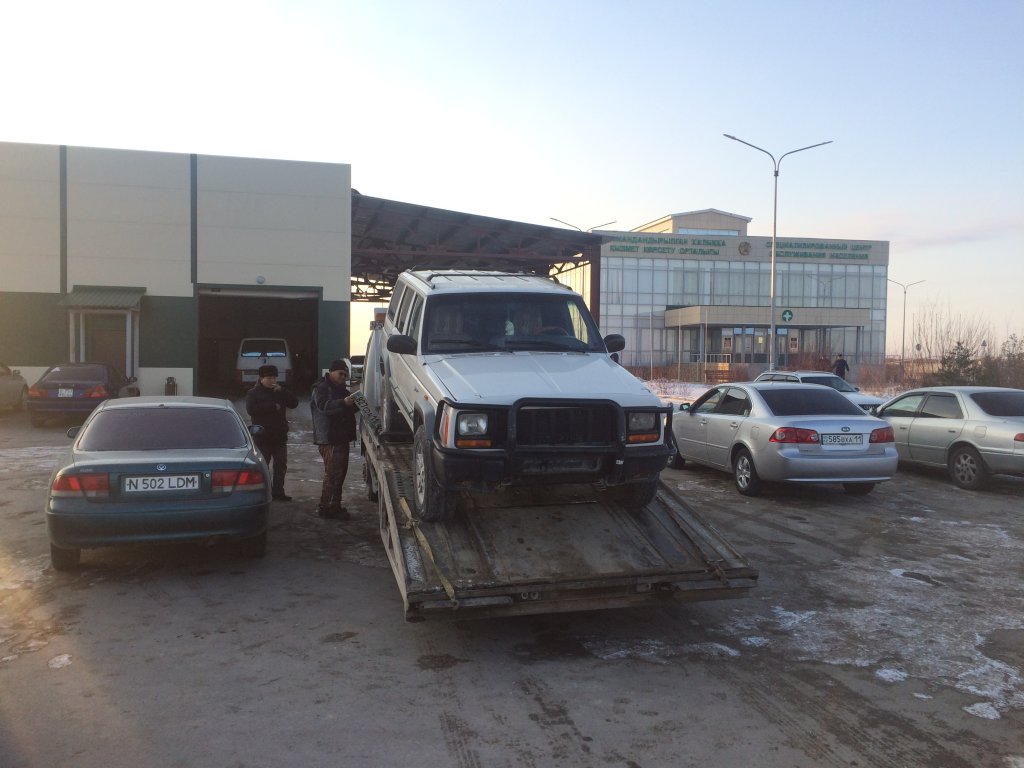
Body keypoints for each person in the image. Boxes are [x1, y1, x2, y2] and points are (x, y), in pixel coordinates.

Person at [312, 359, 360, 520]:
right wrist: (343, 402)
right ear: (331, 372)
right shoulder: (321, 388)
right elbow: (323, 406)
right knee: (333, 474)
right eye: (341, 373)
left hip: (340, 438)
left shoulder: (341, 390)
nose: (343, 377)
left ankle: (334, 506)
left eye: (345, 375)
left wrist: (358, 402)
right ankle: (326, 507)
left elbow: (348, 409)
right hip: (329, 438)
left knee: (339, 474)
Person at [245, 364, 299, 501]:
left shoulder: (279, 391)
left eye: (274, 377)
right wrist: (272, 406)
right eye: (269, 378)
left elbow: (294, 403)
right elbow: (251, 410)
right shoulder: (253, 393)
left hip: (279, 436)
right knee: (262, 467)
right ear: (261, 378)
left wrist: (284, 391)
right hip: (262, 437)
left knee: (280, 465)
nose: (272, 380)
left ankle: (278, 492)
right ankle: (263, 493)